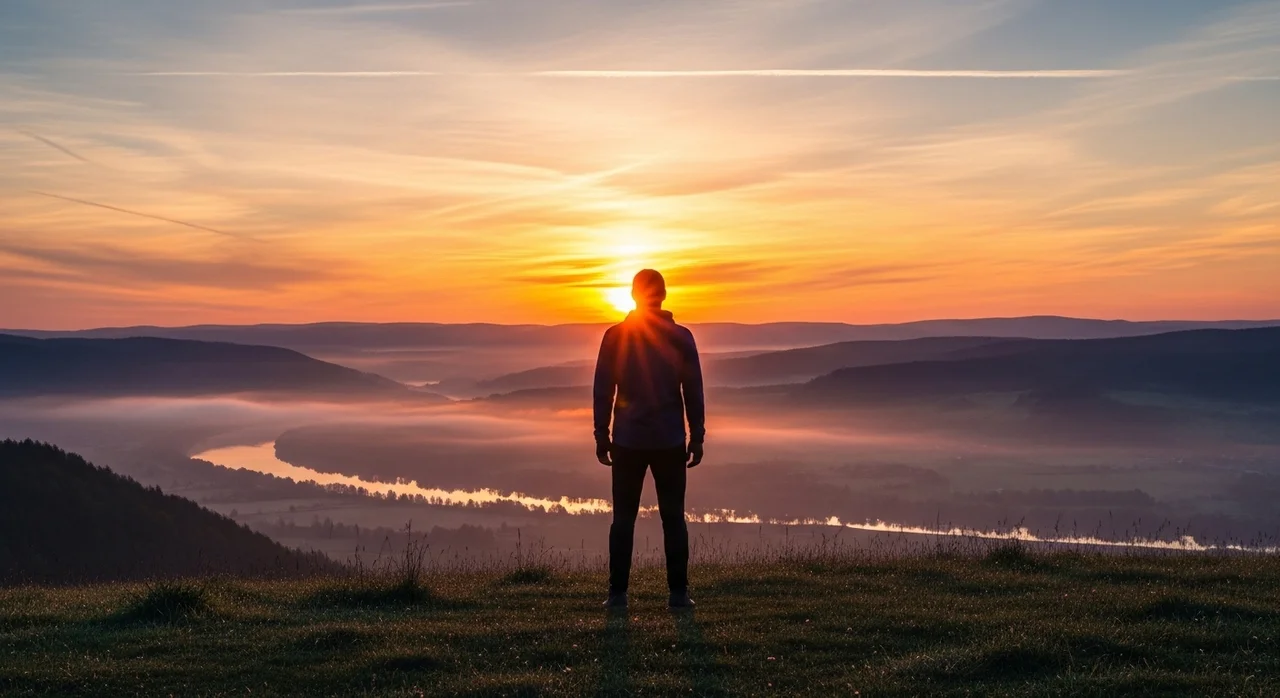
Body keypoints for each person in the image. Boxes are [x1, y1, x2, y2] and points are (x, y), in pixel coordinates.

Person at [593, 268, 705, 610]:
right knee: (673, 518)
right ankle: (678, 594)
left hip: (627, 440)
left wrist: (602, 434)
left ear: (633, 295)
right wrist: (696, 436)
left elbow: (603, 390)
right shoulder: (681, 337)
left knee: (622, 519)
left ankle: (617, 595)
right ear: (664, 295)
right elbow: (693, 391)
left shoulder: (615, 336)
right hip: (670, 440)